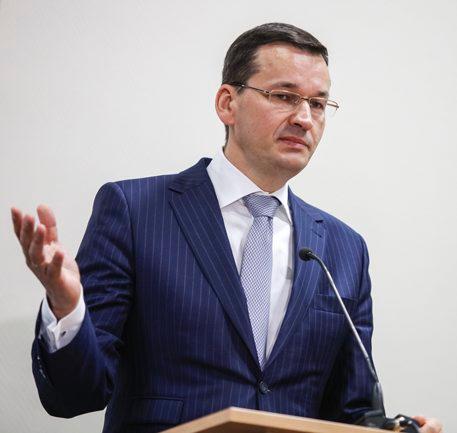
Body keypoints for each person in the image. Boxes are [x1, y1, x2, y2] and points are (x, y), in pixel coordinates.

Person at [11, 23, 442, 433]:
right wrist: (67, 308)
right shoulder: (135, 211)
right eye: (284, 96)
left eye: (317, 104)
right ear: (227, 103)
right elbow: (74, 395)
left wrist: (392, 430)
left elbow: (351, 411)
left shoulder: (344, 248)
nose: (304, 118)